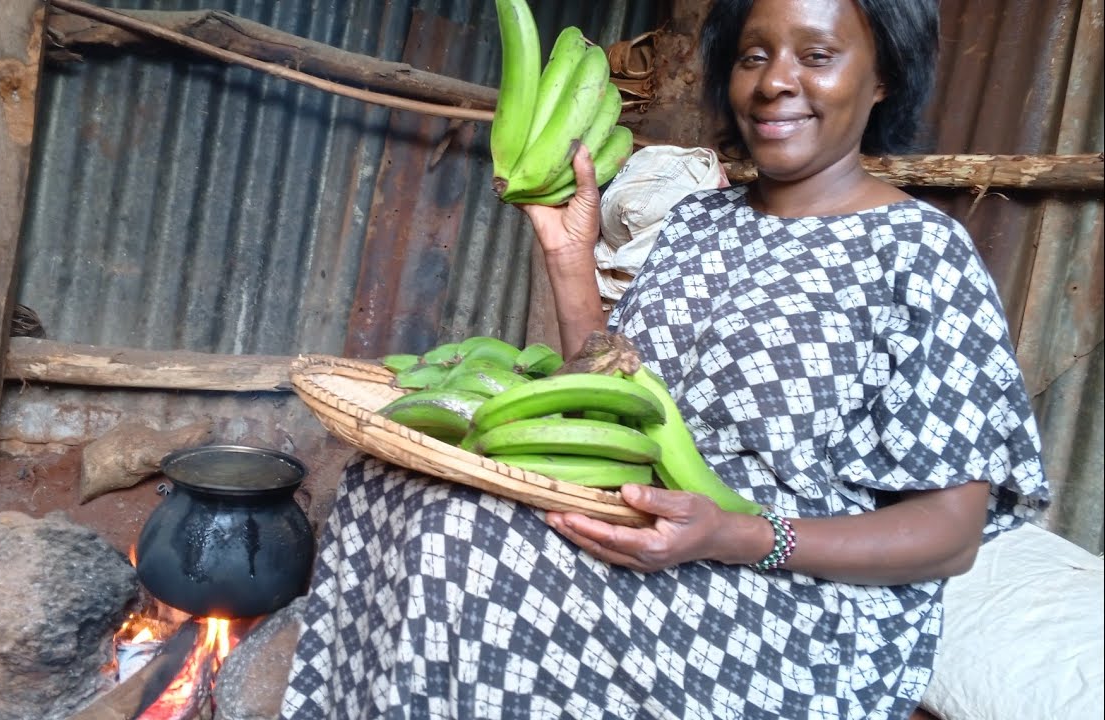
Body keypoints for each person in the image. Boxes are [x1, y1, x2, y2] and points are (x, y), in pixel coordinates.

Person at [280, 0, 1049, 717]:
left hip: (798, 594)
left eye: (816, 55)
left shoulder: (920, 252)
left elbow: (950, 533)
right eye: (753, 56)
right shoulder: (697, 224)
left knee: (472, 547)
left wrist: (739, 536)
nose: (776, 81)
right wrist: (568, 252)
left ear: (882, 77)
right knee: (392, 482)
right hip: (647, 514)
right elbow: (615, 387)